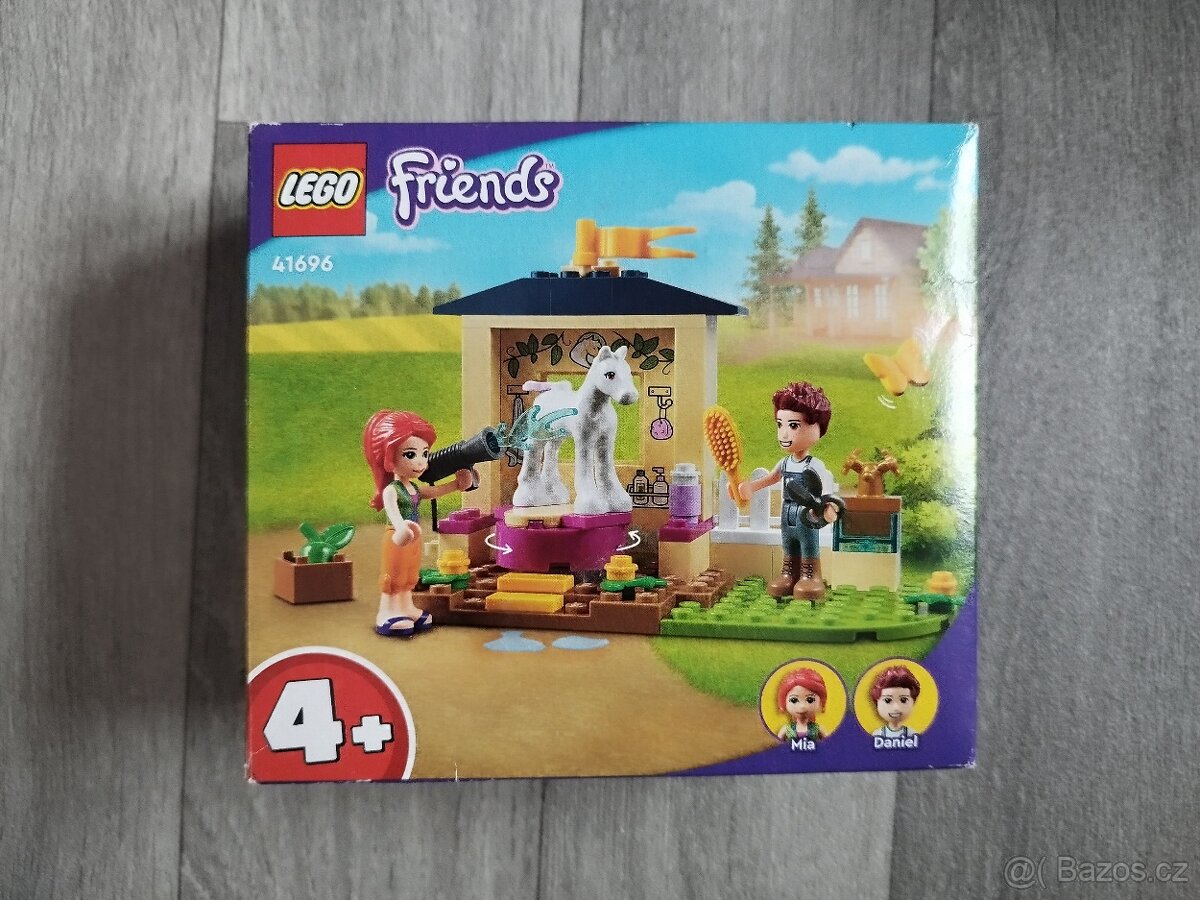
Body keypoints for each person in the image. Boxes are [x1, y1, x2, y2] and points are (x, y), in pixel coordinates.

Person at [363, 411, 472, 637]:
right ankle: (387, 612)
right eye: (410, 455)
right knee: (393, 575)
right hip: (397, 537)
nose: (421, 462)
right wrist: (401, 528)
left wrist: (455, 485)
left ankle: (406, 607)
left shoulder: (412, 488)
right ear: (388, 458)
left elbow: (432, 492)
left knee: (409, 574)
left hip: (413, 536)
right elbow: (393, 512)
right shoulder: (392, 490)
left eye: (424, 453)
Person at [737, 382, 841, 602]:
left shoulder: (814, 465)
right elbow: (771, 478)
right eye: (780, 424)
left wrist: (828, 508)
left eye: (793, 425)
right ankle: (789, 572)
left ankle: (810, 574)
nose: (784, 433)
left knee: (808, 543)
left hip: (806, 513)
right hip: (787, 512)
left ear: (818, 428)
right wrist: (751, 487)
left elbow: (826, 490)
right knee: (789, 543)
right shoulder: (785, 462)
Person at [776, 668, 827, 743]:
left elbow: (828, 743)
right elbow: (777, 743)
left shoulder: (817, 729)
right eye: (794, 700)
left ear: (820, 702)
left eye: (810, 700)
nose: (802, 706)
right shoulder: (787, 729)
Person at [869, 665, 922, 738]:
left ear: (913, 701)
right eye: (888, 700)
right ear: (877, 701)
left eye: (903, 700)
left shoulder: (912, 734)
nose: (896, 708)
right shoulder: (878, 734)